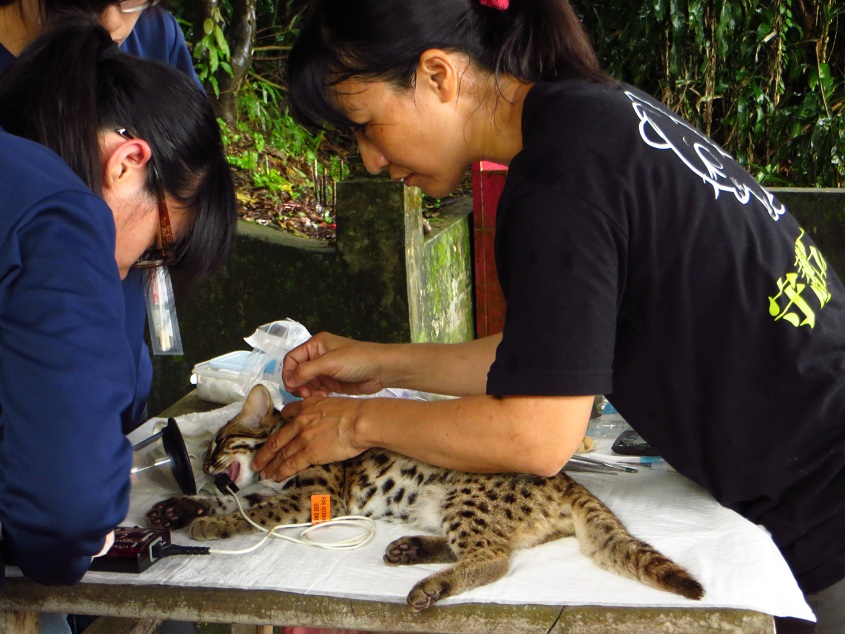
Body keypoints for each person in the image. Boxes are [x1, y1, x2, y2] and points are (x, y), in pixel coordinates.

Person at [250, 1, 845, 632]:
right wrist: (383, 362)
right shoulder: (593, 115)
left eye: (366, 124)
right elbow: (551, 360)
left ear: (438, 76)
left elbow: (537, 434)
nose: (369, 158)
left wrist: (358, 424)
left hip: (824, 499)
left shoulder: (558, 180)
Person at [0, 10, 235, 592]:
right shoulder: (62, 216)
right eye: (159, 246)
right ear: (129, 161)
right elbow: (64, 516)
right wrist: (86, 527)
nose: (130, 271)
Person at [0, 0, 200, 433]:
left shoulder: (155, 35)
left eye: (134, 2)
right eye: (90, 0)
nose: (112, 23)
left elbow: (189, 178)